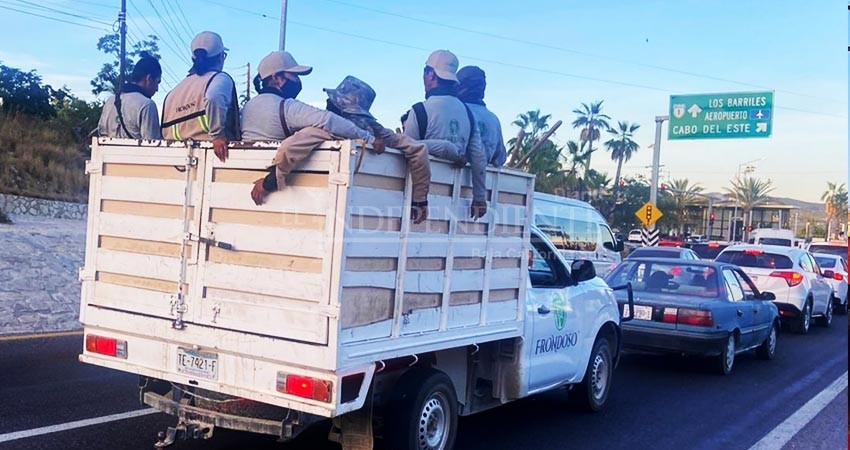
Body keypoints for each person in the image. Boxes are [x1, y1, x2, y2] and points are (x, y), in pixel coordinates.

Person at [250, 76, 438, 224]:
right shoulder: (377, 132)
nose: (327, 104)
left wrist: (269, 182)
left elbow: (289, 148)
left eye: (331, 102)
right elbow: (418, 149)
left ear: (337, 108)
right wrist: (419, 200)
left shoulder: (323, 131)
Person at [402, 50, 487, 219]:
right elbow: (478, 156)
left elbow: (410, 151)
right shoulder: (468, 113)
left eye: (425, 72)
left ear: (431, 74)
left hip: (416, 203)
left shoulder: (419, 110)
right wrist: (479, 197)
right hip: (452, 207)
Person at [161, 31, 240, 161]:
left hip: (176, 158)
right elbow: (214, 97)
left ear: (193, 59)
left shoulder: (174, 92)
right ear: (221, 57)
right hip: (213, 154)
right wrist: (217, 136)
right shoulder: (219, 79)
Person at [97, 53, 163, 140]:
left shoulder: (110, 101)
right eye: (157, 82)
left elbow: (101, 134)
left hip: (105, 149)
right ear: (149, 79)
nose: (157, 89)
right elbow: (152, 143)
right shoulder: (147, 105)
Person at [457, 66, 507, 167]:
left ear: (460, 86)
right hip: (482, 174)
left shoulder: (454, 111)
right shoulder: (493, 120)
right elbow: (500, 158)